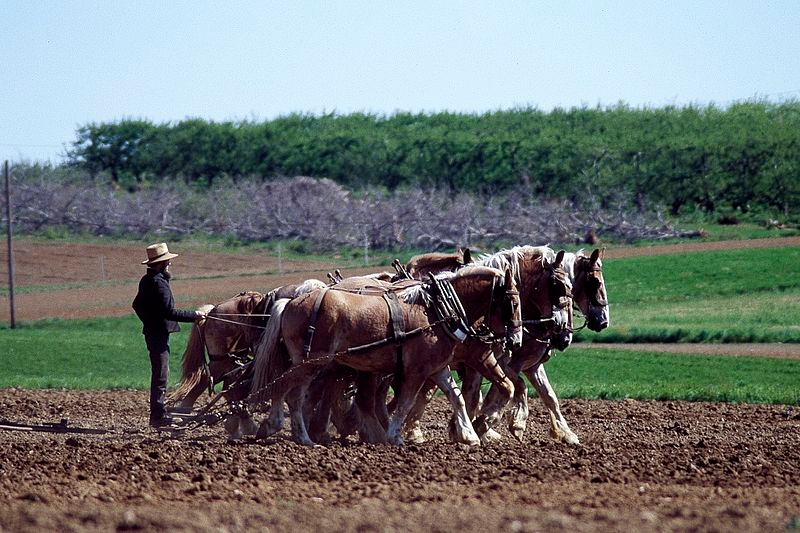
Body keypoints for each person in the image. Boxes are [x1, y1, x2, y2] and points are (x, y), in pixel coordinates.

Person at [132, 242, 205, 428]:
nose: (170, 264)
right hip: (158, 334)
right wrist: (195, 316)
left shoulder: (146, 280)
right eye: (168, 261)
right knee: (161, 375)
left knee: (160, 373)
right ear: (161, 264)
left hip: (153, 332)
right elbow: (169, 312)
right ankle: (158, 416)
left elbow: (136, 305)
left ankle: (158, 413)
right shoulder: (159, 283)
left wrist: (148, 321)